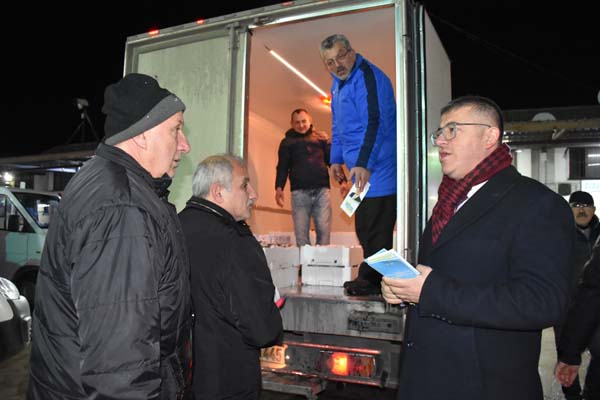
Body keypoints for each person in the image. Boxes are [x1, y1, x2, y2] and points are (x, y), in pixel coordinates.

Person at [381, 95, 574, 400]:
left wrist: (429, 292)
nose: (440, 141)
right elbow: (437, 276)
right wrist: (403, 291)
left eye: (453, 129)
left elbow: (543, 301)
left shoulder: (537, 203)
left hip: (483, 386)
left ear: (489, 136)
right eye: (439, 132)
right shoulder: (448, 202)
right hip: (425, 378)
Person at [27, 73, 192, 399]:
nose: (185, 144)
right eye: (176, 128)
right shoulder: (122, 209)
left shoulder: (107, 183)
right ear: (143, 135)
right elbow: (120, 369)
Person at [179, 154, 283, 400]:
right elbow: (261, 330)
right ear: (218, 192)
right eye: (245, 185)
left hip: (183, 381)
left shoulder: (173, 227)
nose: (254, 194)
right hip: (228, 384)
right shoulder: (235, 242)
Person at [319, 34, 397, 295]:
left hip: (379, 168)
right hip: (360, 173)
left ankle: (378, 281)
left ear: (352, 51)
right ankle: (380, 277)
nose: (336, 65)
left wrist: (364, 163)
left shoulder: (367, 76)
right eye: (329, 62)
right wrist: (335, 158)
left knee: (376, 230)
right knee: (364, 228)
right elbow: (337, 126)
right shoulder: (336, 86)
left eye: (341, 56)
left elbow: (375, 123)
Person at [555, 190, 600, 399]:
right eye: (576, 206)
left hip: (595, 308)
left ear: (594, 209)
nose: (581, 210)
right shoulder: (559, 236)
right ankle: (572, 394)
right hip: (568, 308)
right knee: (567, 353)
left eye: (585, 206)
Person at [275, 108, 332, 246]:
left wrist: (342, 181)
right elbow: (282, 166)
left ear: (310, 120)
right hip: (299, 192)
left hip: (322, 191)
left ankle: (322, 264)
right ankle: (305, 266)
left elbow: (331, 161)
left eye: (304, 121)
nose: (301, 125)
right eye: (297, 122)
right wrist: (279, 187)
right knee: (301, 233)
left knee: (324, 230)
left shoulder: (321, 138)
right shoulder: (286, 143)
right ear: (292, 123)